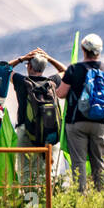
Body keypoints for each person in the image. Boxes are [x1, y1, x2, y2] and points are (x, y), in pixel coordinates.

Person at [55, 33, 104, 193]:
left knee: (79, 162)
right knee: (99, 162)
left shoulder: (74, 69)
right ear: (99, 51)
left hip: (77, 122)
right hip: (100, 123)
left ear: (83, 49)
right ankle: (102, 197)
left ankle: (81, 199)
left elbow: (61, 93)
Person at [9, 49, 66, 188]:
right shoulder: (52, 82)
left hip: (25, 131)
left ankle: (31, 207)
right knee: (48, 170)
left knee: (26, 171)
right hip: (49, 133)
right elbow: (65, 71)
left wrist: (22, 58)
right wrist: (49, 58)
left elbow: (3, 70)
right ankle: (48, 203)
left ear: (29, 66)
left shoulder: (22, 81)